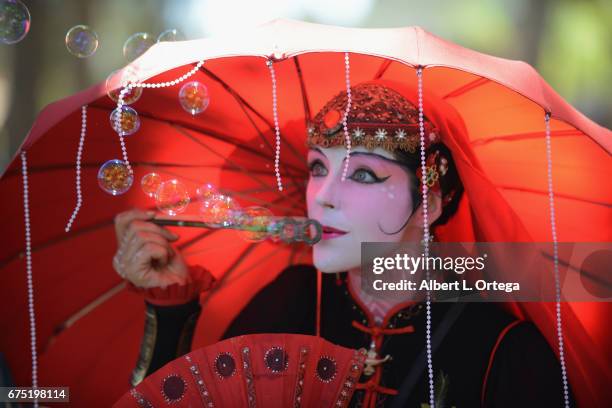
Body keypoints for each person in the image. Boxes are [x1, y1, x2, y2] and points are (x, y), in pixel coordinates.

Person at [113, 80, 572, 407]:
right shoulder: (289, 303)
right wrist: (169, 306)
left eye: (364, 174)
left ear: (428, 202)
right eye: (317, 169)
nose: (324, 197)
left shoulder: (501, 349)